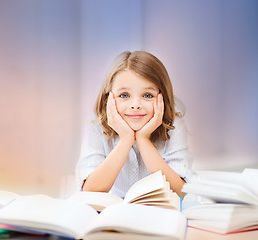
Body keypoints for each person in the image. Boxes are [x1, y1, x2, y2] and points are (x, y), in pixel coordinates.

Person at [76, 51, 192, 198]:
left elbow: (180, 191)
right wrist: (126, 139)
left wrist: (143, 139)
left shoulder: (174, 126)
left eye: (147, 95)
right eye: (124, 95)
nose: (135, 105)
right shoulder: (96, 129)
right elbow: (90, 191)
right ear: (108, 99)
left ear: (163, 98)